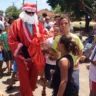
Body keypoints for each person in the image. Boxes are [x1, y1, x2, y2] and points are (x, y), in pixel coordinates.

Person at [8, 3, 49, 96]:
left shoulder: (37, 23)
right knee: (24, 78)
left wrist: (40, 40)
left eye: (32, 12)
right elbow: (11, 39)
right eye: (28, 12)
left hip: (35, 55)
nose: (30, 14)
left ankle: (28, 92)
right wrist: (22, 47)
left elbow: (43, 34)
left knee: (33, 78)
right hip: (22, 55)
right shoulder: (16, 23)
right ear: (24, 11)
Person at [52, 16, 84, 91]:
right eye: (61, 24)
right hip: (61, 68)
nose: (63, 25)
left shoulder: (75, 37)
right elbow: (54, 51)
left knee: (74, 89)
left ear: (69, 24)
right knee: (62, 89)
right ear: (59, 25)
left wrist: (78, 59)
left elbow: (81, 49)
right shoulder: (57, 38)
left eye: (66, 23)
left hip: (74, 69)